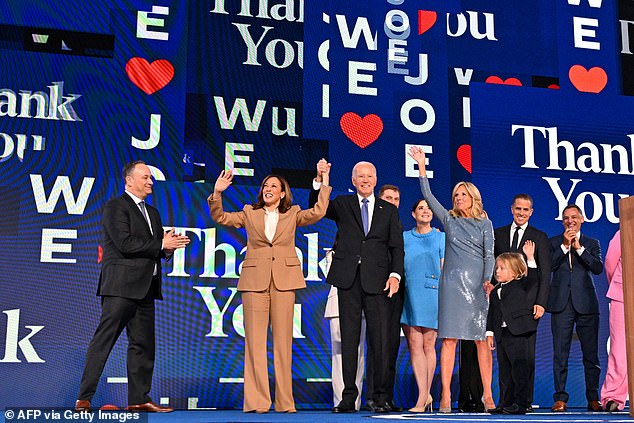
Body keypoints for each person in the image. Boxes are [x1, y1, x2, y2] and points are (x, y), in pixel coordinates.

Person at [207, 161, 332, 413]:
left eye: (274, 186)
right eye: (265, 185)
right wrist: (218, 193)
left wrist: (324, 179)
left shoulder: (293, 213)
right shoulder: (248, 213)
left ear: (283, 192)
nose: (268, 189)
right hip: (255, 282)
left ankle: (285, 402)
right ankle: (257, 402)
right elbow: (220, 216)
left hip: (284, 282)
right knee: (254, 343)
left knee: (283, 344)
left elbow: (318, 211)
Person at [75, 160, 190, 413]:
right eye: (145, 177)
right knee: (103, 342)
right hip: (120, 286)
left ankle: (139, 399)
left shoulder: (153, 213)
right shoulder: (115, 207)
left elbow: (152, 248)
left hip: (146, 287)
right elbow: (125, 244)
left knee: (143, 345)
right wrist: (161, 244)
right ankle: (84, 398)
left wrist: (168, 247)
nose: (150, 182)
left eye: (151, 178)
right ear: (129, 180)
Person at [310, 161, 404, 413]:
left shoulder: (388, 209)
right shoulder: (342, 204)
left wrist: (395, 275)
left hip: (378, 282)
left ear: (375, 179)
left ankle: (380, 397)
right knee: (349, 340)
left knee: (380, 341)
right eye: (360, 176)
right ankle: (348, 397)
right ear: (353, 181)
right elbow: (317, 207)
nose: (365, 180)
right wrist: (320, 179)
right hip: (347, 279)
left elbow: (396, 246)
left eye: (369, 176)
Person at [408, 146, 495, 413]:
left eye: (463, 194)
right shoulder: (448, 219)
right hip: (452, 287)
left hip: (478, 287)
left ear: (473, 198)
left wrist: (488, 280)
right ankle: (445, 395)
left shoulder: (484, 224)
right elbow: (427, 194)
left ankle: (488, 396)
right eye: (456, 194)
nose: (458, 198)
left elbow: (489, 255)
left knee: (480, 340)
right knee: (449, 340)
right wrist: (422, 166)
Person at [493, 194, 550, 411]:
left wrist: (541, 302)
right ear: (511, 209)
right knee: (505, 361)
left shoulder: (539, 237)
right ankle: (507, 402)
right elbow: (495, 268)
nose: (521, 213)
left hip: (528, 309)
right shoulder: (498, 234)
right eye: (518, 208)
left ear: (531, 212)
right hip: (503, 309)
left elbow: (544, 275)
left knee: (524, 359)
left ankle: (523, 401)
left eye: (526, 210)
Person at [548, 204, 603, 412]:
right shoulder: (553, 242)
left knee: (591, 355)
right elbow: (550, 265)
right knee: (560, 354)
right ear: (562, 222)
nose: (569, 221)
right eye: (565, 218)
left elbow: (597, 268)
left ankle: (593, 398)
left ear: (581, 219)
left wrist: (579, 248)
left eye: (573, 217)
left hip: (587, 304)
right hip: (561, 304)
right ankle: (560, 399)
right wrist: (564, 245)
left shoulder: (591, 243)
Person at [401, 199, 445, 412]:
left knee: (429, 345)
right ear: (413, 214)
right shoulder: (404, 238)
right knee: (414, 344)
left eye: (428, 208)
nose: (425, 211)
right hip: (409, 294)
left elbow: (445, 270)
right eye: (421, 208)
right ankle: (424, 395)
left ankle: (422, 398)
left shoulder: (440, 237)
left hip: (432, 294)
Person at [486, 246, 539, 415]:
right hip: (502, 335)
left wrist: (530, 257)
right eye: (497, 268)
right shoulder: (495, 292)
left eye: (502, 268)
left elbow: (534, 278)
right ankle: (505, 402)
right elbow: (492, 313)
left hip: (518, 333)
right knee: (505, 371)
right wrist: (489, 333)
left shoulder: (521, 284)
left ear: (516, 271)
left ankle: (521, 404)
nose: (498, 272)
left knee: (520, 369)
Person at [364, 184, 403, 412]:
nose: (392, 202)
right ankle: (373, 396)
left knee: (391, 345)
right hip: (375, 288)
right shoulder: (371, 225)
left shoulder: (397, 225)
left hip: (395, 291)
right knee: (376, 344)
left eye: (396, 199)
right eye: (388, 197)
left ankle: (387, 397)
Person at [324, 244, 366, 411]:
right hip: (336, 305)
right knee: (338, 354)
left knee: (359, 352)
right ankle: (339, 399)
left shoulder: (363, 252)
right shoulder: (332, 253)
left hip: (358, 306)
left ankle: (354, 401)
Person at [600, 230, 627, 412]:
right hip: (623, 294)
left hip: (622, 293)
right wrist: (619, 283)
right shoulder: (625, 230)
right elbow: (610, 260)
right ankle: (613, 397)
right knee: (619, 349)